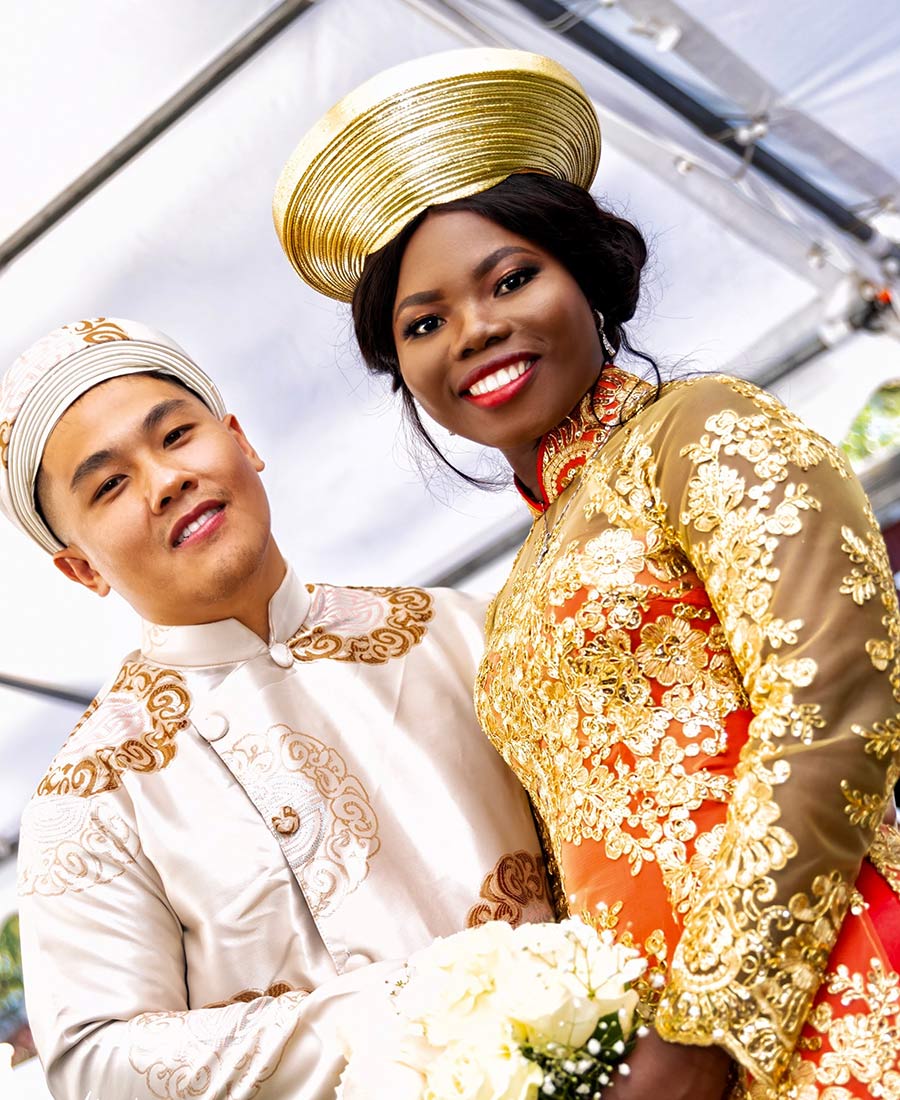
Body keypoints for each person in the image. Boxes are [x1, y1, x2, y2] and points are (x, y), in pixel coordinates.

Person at [274, 48, 900, 1099]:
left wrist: (711, 1029)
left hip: (835, 997)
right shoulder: (516, 591)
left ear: (586, 275)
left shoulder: (701, 430)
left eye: (511, 278)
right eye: (422, 324)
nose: (474, 333)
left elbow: (837, 702)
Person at [2, 316, 554, 1099]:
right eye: (110, 485)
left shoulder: (458, 632)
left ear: (241, 440)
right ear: (79, 568)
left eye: (176, 436)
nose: (166, 481)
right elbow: (96, 1063)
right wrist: (402, 1014)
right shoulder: (92, 799)